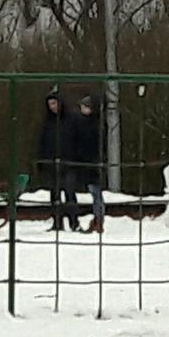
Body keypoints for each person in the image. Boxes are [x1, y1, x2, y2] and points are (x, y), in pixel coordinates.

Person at [35, 90, 75, 232]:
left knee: (70, 192)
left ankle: (73, 222)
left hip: (69, 162)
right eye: (50, 104)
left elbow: (76, 140)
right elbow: (42, 142)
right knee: (55, 194)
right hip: (51, 163)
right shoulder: (47, 122)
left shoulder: (71, 120)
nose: (52, 107)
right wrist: (41, 160)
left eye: (54, 103)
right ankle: (57, 222)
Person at [67, 92, 105, 232]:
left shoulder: (94, 124)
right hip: (84, 161)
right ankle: (97, 219)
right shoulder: (81, 123)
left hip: (91, 162)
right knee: (93, 191)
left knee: (95, 192)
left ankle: (98, 219)